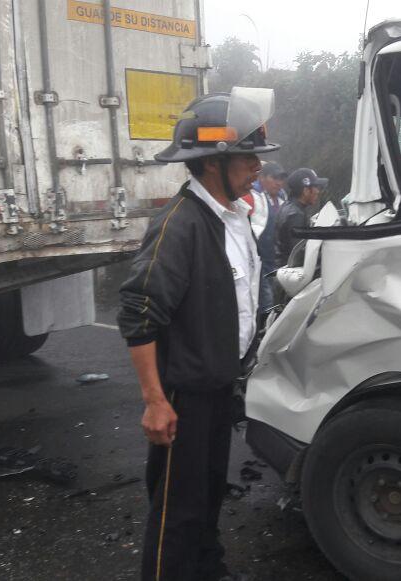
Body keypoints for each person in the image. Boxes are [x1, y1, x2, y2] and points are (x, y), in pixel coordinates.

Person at [118, 88, 279, 581]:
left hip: (215, 389)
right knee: (177, 510)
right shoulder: (179, 224)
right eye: (248, 157)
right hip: (183, 396)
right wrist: (154, 401)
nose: (257, 167)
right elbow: (139, 310)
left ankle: (208, 571)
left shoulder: (232, 218)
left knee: (208, 495)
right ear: (214, 163)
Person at [239, 161, 288, 314]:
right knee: (265, 304)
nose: (279, 183)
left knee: (279, 302)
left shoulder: (282, 198)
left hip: (278, 261)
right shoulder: (250, 197)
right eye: (275, 178)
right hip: (261, 261)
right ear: (262, 178)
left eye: (281, 179)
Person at [275, 167, 328, 266]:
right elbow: (299, 254)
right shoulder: (295, 215)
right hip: (289, 274)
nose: (318, 191)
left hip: (283, 270)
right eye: (316, 187)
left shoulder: (287, 206)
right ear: (306, 191)